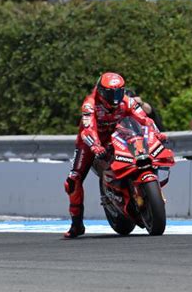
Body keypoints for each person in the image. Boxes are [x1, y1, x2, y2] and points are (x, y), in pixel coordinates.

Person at [63, 72, 167, 238]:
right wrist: (95, 146)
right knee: (73, 180)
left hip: (120, 138)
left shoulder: (127, 100)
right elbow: (88, 128)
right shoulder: (90, 104)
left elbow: (144, 119)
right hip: (92, 143)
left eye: (119, 92)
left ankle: (138, 191)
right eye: (111, 93)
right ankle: (77, 225)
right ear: (101, 92)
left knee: (145, 155)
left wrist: (157, 133)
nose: (115, 97)